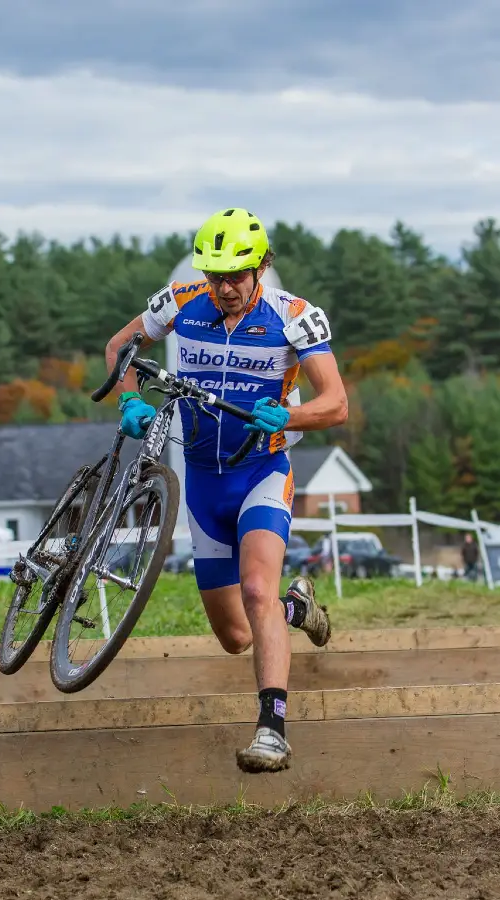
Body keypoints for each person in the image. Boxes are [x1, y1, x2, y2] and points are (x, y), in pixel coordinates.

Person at [105, 208, 348, 773]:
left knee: (258, 591)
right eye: (215, 275)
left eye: (237, 275)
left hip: (261, 473)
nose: (226, 287)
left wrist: (290, 416)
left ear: (259, 268)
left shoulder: (294, 317)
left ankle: (272, 729)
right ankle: (299, 608)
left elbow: (335, 403)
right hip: (202, 484)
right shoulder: (180, 301)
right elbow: (120, 347)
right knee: (235, 634)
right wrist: (130, 400)